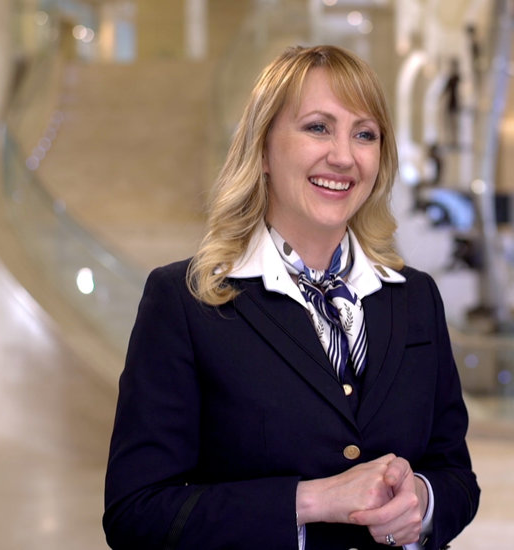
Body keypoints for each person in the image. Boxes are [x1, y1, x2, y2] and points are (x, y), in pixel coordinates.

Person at [103, 45, 480, 550]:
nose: (343, 156)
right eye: (318, 127)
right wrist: (311, 500)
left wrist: (423, 500)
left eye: (364, 134)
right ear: (262, 149)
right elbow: (136, 514)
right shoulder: (185, 302)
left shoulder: (416, 298)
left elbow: (456, 476)